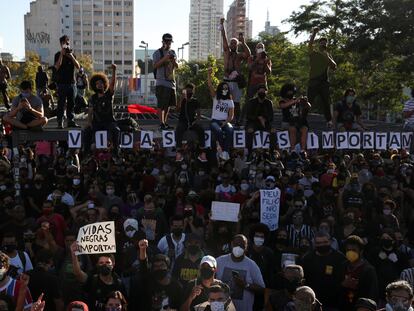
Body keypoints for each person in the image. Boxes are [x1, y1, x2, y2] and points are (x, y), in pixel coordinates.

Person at [216, 234, 265, 311]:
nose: (238, 247)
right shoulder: (219, 261)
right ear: (231, 244)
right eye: (236, 244)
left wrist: (246, 285)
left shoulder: (252, 265)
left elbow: (262, 289)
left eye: (242, 245)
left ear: (246, 247)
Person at [70, 243, 125, 311]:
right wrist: (74, 254)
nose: (104, 265)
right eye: (101, 263)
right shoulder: (92, 280)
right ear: (97, 265)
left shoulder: (119, 283)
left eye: (107, 263)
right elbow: (78, 273)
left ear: (113, 264)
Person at [131, 239, 183, 310]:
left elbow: (180, 306)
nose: (159, 268)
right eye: (156, 266)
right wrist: (143, 249)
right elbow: (143, 264)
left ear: (168, 267)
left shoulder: (176, 286)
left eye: (161, 265)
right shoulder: (148, 281)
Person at [300, 231, 347, 310]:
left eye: (325, 242)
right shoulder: (307, 258)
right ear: (314, 243)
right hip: (313, 301)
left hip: (334, 302)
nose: (322, 245)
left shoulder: (340, 258)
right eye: (319, 243)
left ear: (330, 241)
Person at [83, 64, 120, 155]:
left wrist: (114, 71)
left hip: (109, 122)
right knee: (86, 131)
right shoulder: (92, 98)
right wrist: (89, 122)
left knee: (116, 130)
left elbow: (113, 83)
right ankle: (86, 153)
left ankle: (116, 151)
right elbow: (90, 111)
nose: (99, 85)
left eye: (101, 83)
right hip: (97, 122)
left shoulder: (109, 95)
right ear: (94, 86)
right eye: (97, 84)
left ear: (104, 84)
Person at [219, 18, 251, 122]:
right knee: (225, 100)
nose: (232, 44)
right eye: (231, 43)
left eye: (234, 43)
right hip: (227, 81)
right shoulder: (227, 52)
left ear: (237, 45)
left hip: (236, 82)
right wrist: (222, 25)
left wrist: (243, 42)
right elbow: (224, 37)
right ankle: (225, 119)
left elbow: (248, 54)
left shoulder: (239, 56)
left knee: (236, 102)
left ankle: (237, 120)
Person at [307, 27, 337, 128]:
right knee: (309, 101)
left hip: (324, 82)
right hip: (313, 81)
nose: (323, 44)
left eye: (325, 43)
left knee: (326, 102)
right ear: (319, 44)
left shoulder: (327, 55)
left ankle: (329, 121)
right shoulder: (314, 53)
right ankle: (302, 117)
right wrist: (314, 34)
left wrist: (327, 55)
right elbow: (310, 45)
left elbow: (334, 67)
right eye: (322, 42)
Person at [341, 235, 378, 309]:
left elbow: (372, 295)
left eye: (354, 250)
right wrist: (343, 285)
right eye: (348, 250)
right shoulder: (342, 266)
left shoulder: (369, 270)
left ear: (361, 251)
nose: (350, 253)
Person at [54, 35, 81, 129]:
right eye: (65, 43)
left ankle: (71, 121)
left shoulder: (72, 54)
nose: (67, 44)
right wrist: (62, 54)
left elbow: (78, 67)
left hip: (72, 83)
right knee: (61, 103)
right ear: (61, 44)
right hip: (61, 83)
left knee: (71, 103)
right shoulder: (58, 55)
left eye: (68, 43)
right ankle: (60, 122)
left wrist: (71, 56)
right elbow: (57, 66)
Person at [153, 33, 178, 130]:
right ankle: (161, 123)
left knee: (167, 105)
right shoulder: (157, 53)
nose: (168, 44)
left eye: (170, 42)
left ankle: (165, 123)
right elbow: (155, 66)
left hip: (171, 83)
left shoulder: (173, 52)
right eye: (167, 42)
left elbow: (177, 66)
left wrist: (173, 60)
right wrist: (165, 58)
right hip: (161, 82)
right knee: (161, 105)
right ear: (163, 42)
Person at [207, 68, 234, 154]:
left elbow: (231, 116)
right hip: (215, 121)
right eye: (223, 88)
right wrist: (209, 75)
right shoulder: (215, 97)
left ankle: (225, 152)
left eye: (226, 88)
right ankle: (222, 149)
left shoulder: (230, 101)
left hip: (225, 121)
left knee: (230, 130)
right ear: (220, 89)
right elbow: (210, 85)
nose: (225, 90)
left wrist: (225, 123)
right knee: (218, 130)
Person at [245, 85, 274, 162]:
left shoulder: (269, 103)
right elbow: (248, 115)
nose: (262, 92)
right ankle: (250, 152)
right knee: (250, 130)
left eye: (264, 91)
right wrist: (258, 118)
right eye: (260, 90)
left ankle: (271, 153)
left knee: (273, 131)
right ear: (257, 91)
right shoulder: (252, 102)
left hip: (265, 122)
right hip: (253, 122)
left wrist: (264, 119)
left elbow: (271, 116)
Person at [279, 83, 311, 153]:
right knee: (292, 129)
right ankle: (293, 150)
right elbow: (283, 106)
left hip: (297, 121)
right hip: (287, 121)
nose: (290, 93)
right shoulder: (283, 100)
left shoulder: (297, 100)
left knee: (305, 129)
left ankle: (303, 150)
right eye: (289, 91)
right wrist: (295, 101)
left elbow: (308, 107)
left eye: (291, 91)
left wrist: (306, 102)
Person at [175, 83, 205, 149]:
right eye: (187, 91)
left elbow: (199, 113)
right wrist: (181, 99)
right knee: (179, 129)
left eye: (190, 92)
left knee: (201, 129)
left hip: (192, 121)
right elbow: (177, 109)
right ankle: (178, 149)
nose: (189, 93)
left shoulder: (195, 101)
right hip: (183, 121)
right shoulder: (182, 100)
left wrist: (197, 121)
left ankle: (202, 149)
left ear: (193, 92)